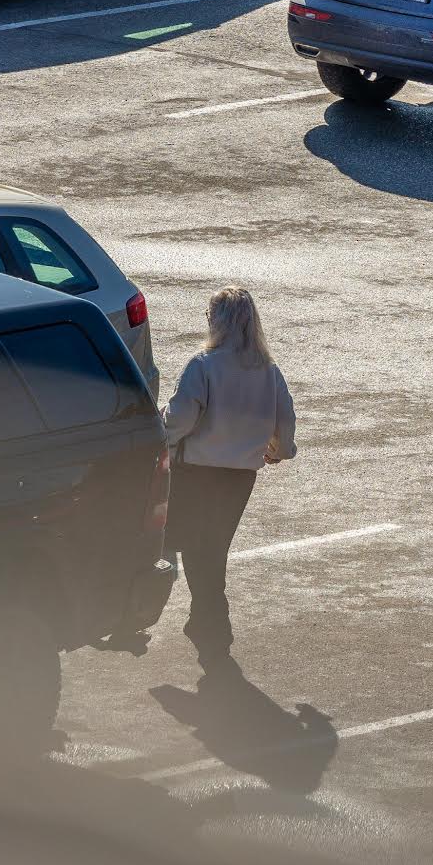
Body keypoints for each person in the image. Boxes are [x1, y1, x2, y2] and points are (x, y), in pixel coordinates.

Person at [162, 286, 296, 670]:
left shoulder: (203, 366)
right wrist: (276, 452)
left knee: (193, 548)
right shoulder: (270, 372)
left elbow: (180, 419)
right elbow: (284, 424)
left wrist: (162, 442)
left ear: (215, 322)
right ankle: (207, 625)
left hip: (196, 473)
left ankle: (212, 627)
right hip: (240, 477)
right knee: (211, 548)